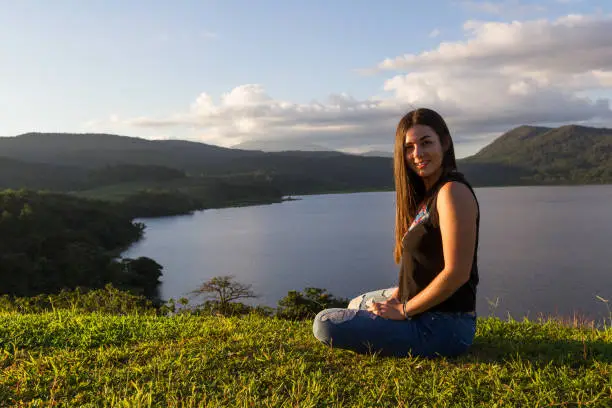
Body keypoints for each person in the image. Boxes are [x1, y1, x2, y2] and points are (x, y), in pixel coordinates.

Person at [312, 107, 480, 358]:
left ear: (444, 143)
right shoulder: (427, 198)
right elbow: (419, 268)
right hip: (423, 310)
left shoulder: (452, 192)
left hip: (446, 326)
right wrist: (397, 297)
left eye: (426, 143)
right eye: (409, 148)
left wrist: (404, 310)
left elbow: (456, 274)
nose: (418, 154)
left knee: (325, 322)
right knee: (358, 303)